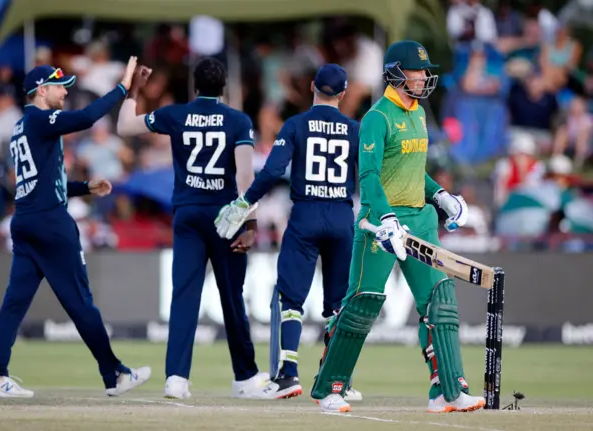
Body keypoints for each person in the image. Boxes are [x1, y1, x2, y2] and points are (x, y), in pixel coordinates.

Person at [308, 40, 485, 414]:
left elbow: (411, 170)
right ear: (395, 73)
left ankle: (448, 392)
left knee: (440, 302)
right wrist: (386, 219)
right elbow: (369, 175)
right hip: (380, 223)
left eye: (424, 71)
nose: (423, 77)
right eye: (416, 71)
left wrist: (440, 196)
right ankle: (330, 389)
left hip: (419, 219)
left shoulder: (418, 113)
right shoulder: (377, 117)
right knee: (361, 306)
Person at [0, 57, 152, 398]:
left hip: (27, 220)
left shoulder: (21, 126)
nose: (64, 92)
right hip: (50, 223)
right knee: (81, 302)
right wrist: (122, 87)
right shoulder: (42, 120)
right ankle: (115, 374)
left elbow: (42, 180)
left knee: (14, 303)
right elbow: (87, 118)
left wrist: (84, 188)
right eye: (59, 86)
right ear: (41, 91)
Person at [116, 58, 269, 399]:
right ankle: (245, 379)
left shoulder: (175, 114)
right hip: (224, 217)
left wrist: (135, 90)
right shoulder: (238, 120)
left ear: (194, 86)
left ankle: (176, 378)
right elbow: (245, 177)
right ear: (224, 86)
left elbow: (125, 128)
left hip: (187, 214)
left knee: (184, 296)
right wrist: (250, 222)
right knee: (232, 298)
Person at [214, 64, 363, 401]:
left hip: (306, 214)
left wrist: (244, 203)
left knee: (290, 298)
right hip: (342, 217)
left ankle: (288, 376)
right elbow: (370, 173)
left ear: (312, 86)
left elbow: (272, 171)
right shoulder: (355, 129)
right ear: (342, 93)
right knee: (338, 304)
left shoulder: (296, 125)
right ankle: (338, 381)